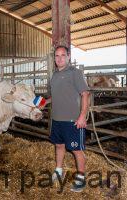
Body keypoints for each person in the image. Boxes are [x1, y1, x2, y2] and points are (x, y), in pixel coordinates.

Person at [46, 46, 90, 192]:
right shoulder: (55, 75)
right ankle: (58, 170)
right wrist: (44, 102)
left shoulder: (75, 73)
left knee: (76, 149)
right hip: (57, 119)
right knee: (59, 145)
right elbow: (57, 95)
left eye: (63, 55)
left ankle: (81, 178)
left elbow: (85, 94)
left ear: (68, 56)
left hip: (73, 120)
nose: (59, 58)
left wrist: (82, 116)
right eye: (57, 56)